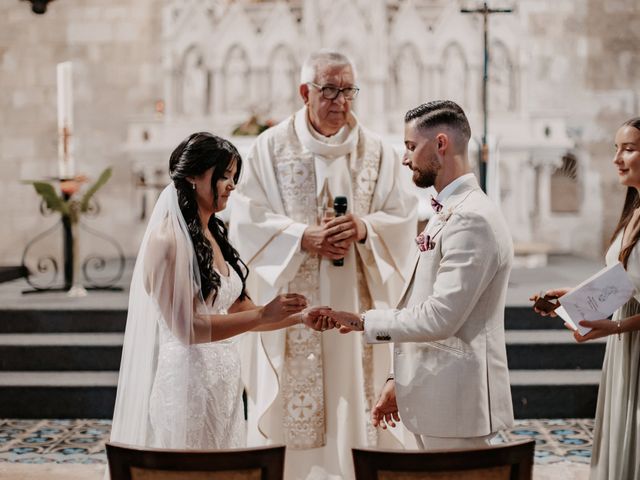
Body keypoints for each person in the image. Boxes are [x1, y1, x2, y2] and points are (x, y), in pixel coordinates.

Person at [228, 50, 417, 478]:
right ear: (304, 92)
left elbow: (403, 218)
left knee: (358, 396)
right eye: (329, 90)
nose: (340, 101)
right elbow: (245, 218)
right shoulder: (268, 149)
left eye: (348, 90)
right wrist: (301, 236)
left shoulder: (378, 153)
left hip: (358, 303)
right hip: (296, 310)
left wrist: (365, 230)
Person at [107, 132, 329, 461]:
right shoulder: (166, 240)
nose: (232, 185)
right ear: (193, 177)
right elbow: (187, 329)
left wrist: (297, 317)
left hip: (223, 382)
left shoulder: (215, 233)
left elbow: (244, 311)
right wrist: (263, 315)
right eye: (224, 175)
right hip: (187, 385)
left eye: (234, 176)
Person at [330, 100, 514, 450]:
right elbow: (420, 297)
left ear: (440, 144)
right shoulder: (449, 210)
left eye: (411, 147)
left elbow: (441, 317)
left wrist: (363, 321)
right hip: (433, 392)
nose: (404, 158)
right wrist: (396, 378)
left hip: (457, 401)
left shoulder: (471, 217)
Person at [532, 118, 640, 479]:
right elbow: (626, 280)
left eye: (629, 149)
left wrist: (619, 325)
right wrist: (573, 297)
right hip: (627, 347)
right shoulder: (634, 211)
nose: (617, 159)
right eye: (616, 149)